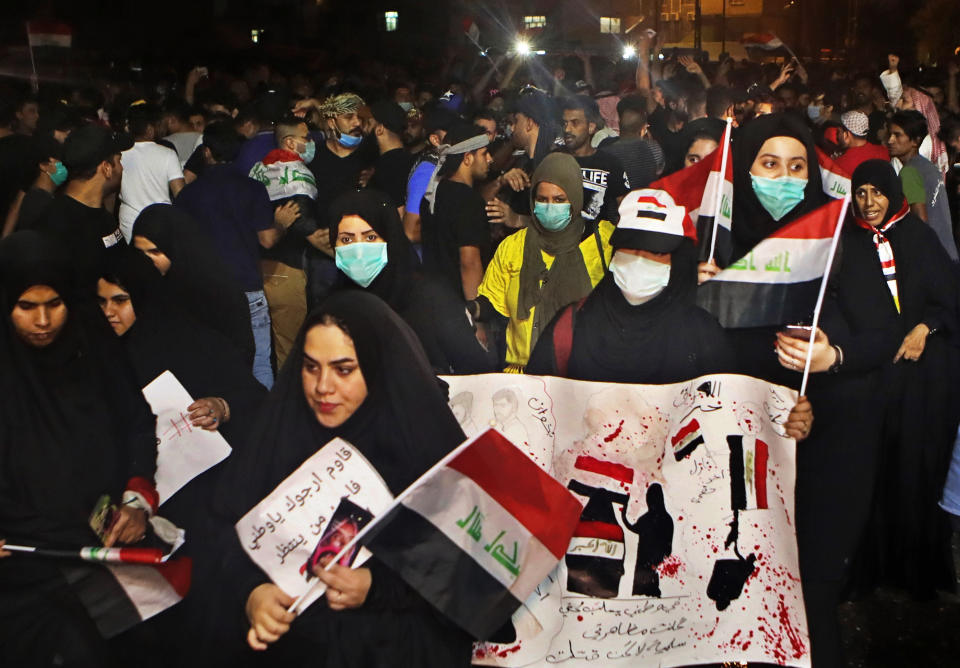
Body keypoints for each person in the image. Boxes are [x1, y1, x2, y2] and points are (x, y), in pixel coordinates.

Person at [219, 291, 474, 666]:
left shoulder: (421, 450)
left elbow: (466, 572)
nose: (323, 387)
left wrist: (378, 587)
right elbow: (224, 532)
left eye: (343, 370)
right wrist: (252, 593)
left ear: (377, 367)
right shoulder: (278, 437)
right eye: (310, 367)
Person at [774, 159, 960, 666]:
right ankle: (861, 569)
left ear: (896, 193)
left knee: (913, 468)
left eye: (879, 193)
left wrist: (926, 328)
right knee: (867, 473)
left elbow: (949, 298)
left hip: (919, 380)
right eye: (862, 193)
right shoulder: (845, 243)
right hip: (866, 380)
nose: (870, 202)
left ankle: (913, 571)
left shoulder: (919, 238)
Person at [0, 231, 158, 665]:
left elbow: (136, 424)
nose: (44, 322)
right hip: (16, 568)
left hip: (98, 553)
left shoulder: (93, 346)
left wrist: (135, 499)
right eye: (26, 307)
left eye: (55, 304)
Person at [177, 120, 302, 388]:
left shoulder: (188, 195)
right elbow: (267, 240)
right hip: (247, 288)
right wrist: (282, 223)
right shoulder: (252, 188)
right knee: (259, 363)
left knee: (216, 364)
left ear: (207, 153)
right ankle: (262, 424)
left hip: (206, 291)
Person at [474, 152, 613, 372]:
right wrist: (469, 310)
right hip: (522, 376)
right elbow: (494, 303)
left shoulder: (603, 242)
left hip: (580, 377)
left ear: (575, 199)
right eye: (542, 199)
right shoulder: (513, 247)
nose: (550, 207)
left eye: (559, 200)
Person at [329, 189, 494, 374]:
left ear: (390, 238)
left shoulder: (432, 298)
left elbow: (476, 373)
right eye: (346, 239)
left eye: (370, 237)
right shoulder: (332, 306)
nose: (359, 250)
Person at [131, 203, 255, 365]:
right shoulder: (136, 288)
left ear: (175, 248)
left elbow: (240, 351)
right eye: (139, 252)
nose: (147, 260)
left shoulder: (218, 291)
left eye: (156, 252)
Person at [35, 124, 132, 293]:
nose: (122, 168)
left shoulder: (102, 215)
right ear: (106, 168)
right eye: (119, 160)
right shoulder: (57, 226)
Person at [418, 124, 493, 301]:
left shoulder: (432, 196)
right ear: (467, 158)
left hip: (435, 301)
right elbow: (470, 263)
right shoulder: (468, 200)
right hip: (460, 306)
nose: (490, 159)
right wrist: (477, 315)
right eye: (484, 153)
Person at [887, 110, 959, 261]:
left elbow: (920, 221)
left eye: (897, 135)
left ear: (915, 141)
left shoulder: (909, 173)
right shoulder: (928, 167)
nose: (890, 140)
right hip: (948, 254)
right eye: (890, 134)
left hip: (932, 258)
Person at [118, 103, 185, 241]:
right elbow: (180, 193)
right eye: (160, 125)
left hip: (129, 221)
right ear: (150, 129)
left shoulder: (119, 155)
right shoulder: (167, 154)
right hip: (161, 220)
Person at [560, 96, 629, 227]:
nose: (567, 129)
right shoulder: (554, 160)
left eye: (575, 123)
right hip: (559, 242)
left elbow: (625, 206)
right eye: (565, 123)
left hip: (596, 243)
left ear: (591, 127)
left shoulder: (610, 164)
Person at [367, 100, 415, 212]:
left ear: (379, 129)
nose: (363, 129)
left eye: (369, 124)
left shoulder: (388, 167)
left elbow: (399, 212)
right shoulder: (409, 159)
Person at [834, 110, 889, 176]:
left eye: (838, 132)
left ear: (846, 135)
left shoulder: (839, 165)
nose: (836, 136)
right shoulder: (884, 152)